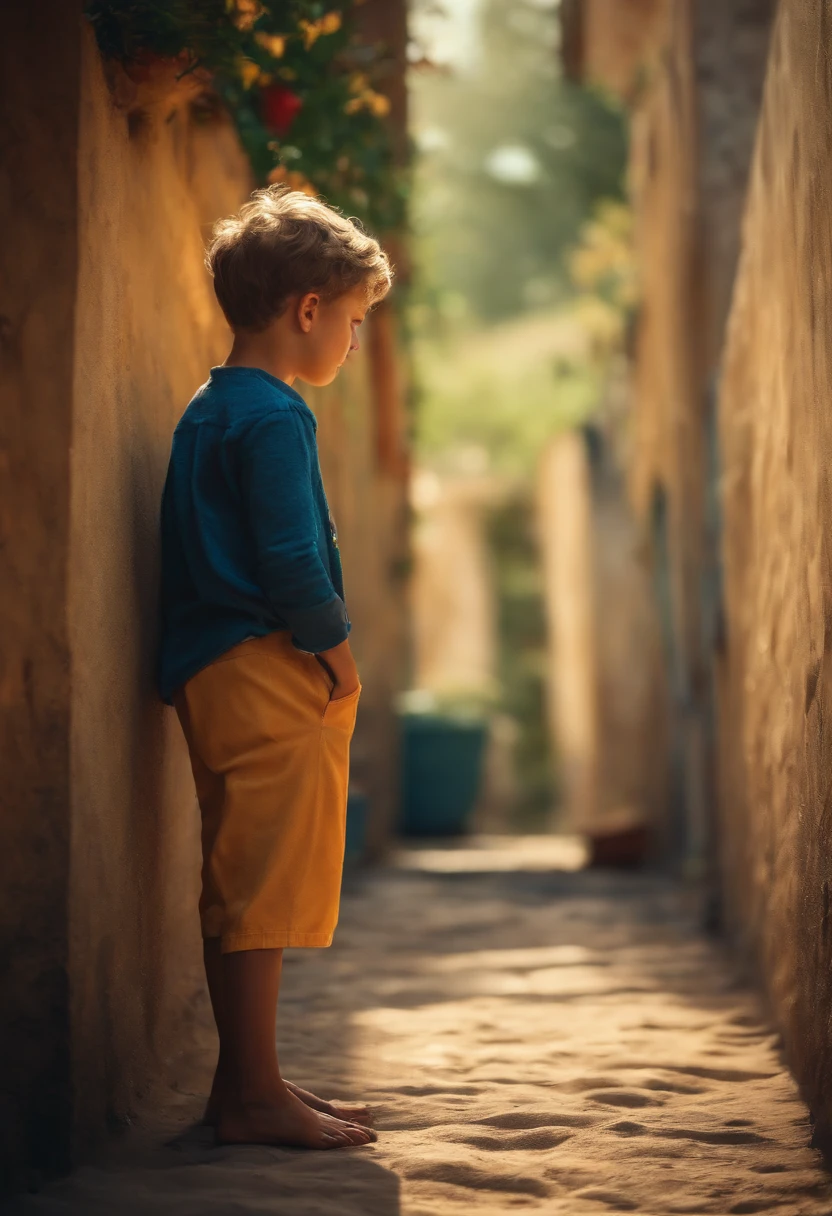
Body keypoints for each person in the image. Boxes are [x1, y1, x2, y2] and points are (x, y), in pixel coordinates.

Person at [157, 185, 393, 1149]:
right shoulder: (274, 417)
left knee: (239, 879)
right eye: (355, 320)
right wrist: (339, 660)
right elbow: (291, 560)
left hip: (206, 667)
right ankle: (253, 1095)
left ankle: (249, 1083)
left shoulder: (212, 407)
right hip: (262, 663)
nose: (354, 341)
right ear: (308, 309)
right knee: (259, 885)